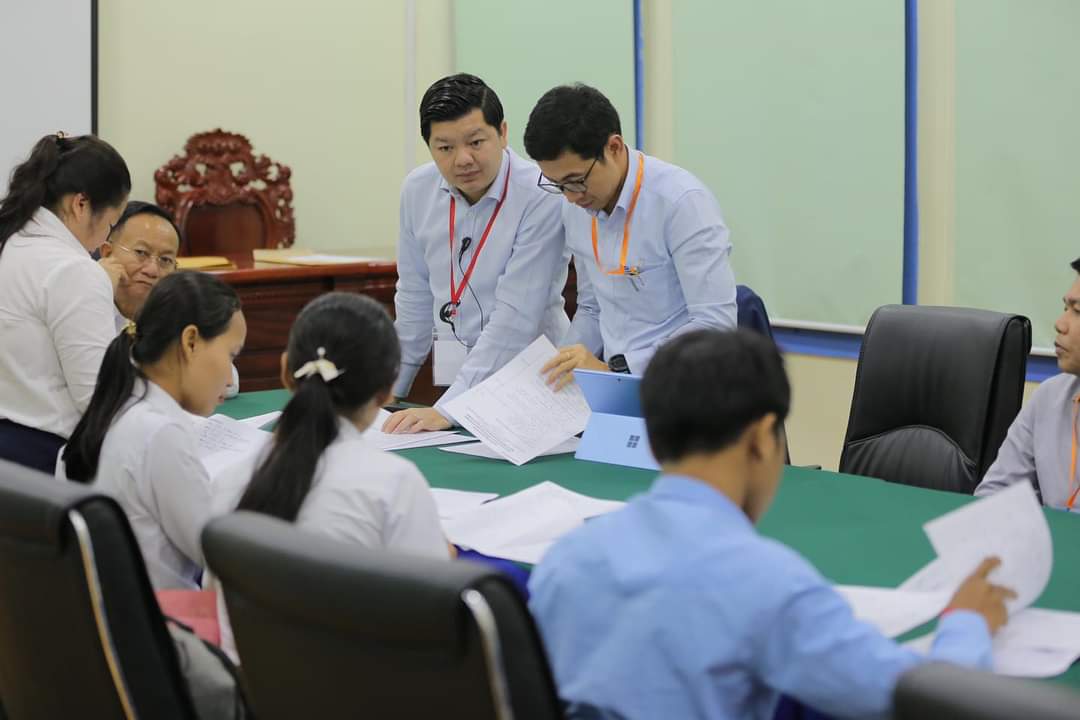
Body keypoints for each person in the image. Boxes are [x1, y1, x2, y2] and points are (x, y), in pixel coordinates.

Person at [529, 329, 1014, 719]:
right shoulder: (769, 585)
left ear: (652, 440)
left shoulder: (566, 558)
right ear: (763, 438)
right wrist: (966, 623)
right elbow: (912, 698)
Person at [218, 292, 451, 660]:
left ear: (286, 372)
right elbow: (433, 623)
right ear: (388, 389)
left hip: (248, 682)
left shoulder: (229, 479)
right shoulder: (394, 484)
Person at [384, 73, 569, 433]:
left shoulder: (541, 194)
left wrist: (449, 409)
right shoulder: (418, 190)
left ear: (503, 132)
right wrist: (384, 392)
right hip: (459, 389)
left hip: (533, 387)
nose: (463, 159)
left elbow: (516, 316)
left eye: (476, 142)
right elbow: (414, 300)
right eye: (445, 148)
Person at [522, 84, 737, 388]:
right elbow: (592, 308)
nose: (570, 197)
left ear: (614, 147)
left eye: (576, 180)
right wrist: (560, 364)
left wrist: (620, 369)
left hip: (685, 388)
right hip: (616, 384)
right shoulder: (577, 206)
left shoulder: (681, 202)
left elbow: (715, 325)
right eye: (558, 185)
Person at [58, 271, 246, 589]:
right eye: (230, 355)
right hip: (164, 614)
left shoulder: (111, 410)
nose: (229, 379)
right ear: (190, 342)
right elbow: (219, 556)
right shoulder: (161, 432)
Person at [0, 133, 131, 472]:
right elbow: (98, 400)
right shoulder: (74, 270)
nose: (107, 238)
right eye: (111, 223)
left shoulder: (11, 243)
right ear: (80, 204)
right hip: (43, 458)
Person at [976, 257, 1080, 509]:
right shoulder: (1050, 397)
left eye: (1077, 311)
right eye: (1065, 308)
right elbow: (994, 493)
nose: (1060, 323)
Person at [99, 200, 181, 330]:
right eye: (141, 252)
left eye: (165, 260)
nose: (152, 270)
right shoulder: (80, 303)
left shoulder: (182, 321)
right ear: (107, 253)